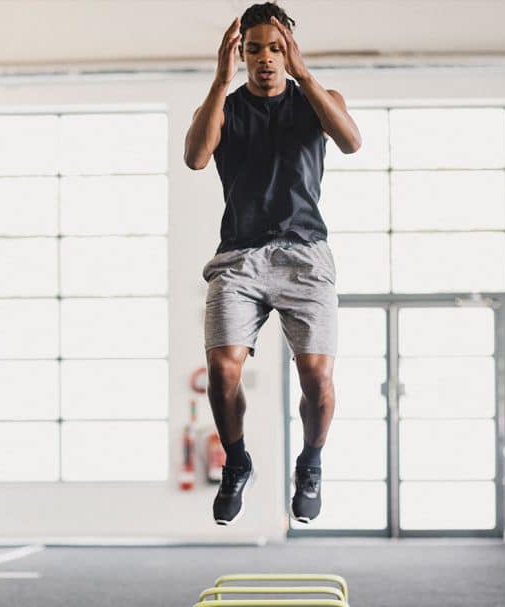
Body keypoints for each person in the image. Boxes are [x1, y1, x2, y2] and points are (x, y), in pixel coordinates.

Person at [184, 1, 362, 526]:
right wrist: (220, 80)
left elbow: (351, 142)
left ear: (289, 51)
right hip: (238, 257)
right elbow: (195, 157)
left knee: (317, 375)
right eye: (254, 48)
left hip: (305, 255)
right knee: (221, 369)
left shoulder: (317, 102)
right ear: (241, 53)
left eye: (276, 48)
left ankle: (309, 464)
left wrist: (304, 75)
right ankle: (238, 463)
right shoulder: (223, 106)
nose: (265, 58)